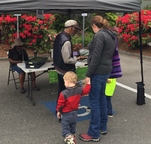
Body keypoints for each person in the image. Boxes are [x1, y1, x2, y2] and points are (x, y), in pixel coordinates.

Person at [79, 15, 117, 142]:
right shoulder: (111, 35)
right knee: (102, 99)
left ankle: (93, 133)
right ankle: (102, 127)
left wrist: (88, 75)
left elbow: (95, 57)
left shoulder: (100, 35)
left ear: (94, 26)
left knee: (94, 101)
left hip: (98, 71)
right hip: (106, 70)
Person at [53, 20, 81, 114]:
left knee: (61, 91)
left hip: (59, 68)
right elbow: (67, 59)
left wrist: (73, 50)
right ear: (71, 28)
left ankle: (58, 110)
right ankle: (62, 111)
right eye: (75, 29)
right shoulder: (67, 41)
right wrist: (77, 58)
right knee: (67, 93)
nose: (76, 31)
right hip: (65, 70)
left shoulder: (59, 36)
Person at [56, 71, 91, 144]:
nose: (64, 83)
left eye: (64, 81)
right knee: (73, 127)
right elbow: (86, 91)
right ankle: (73, 137)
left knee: (65, 129)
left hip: (66, 114)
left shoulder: (63, 93)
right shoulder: (79, 90)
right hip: (75, 113)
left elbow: (60, 104)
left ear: (68, 82)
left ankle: (69, 138)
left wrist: (58, 111)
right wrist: (88, 84)